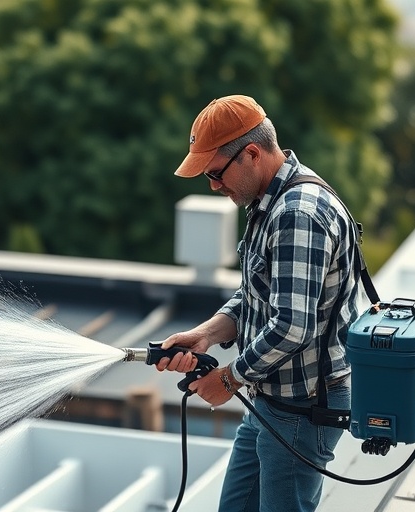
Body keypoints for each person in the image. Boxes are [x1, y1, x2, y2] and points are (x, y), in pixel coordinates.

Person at [156, 95, 362, 511]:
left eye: (215, 173)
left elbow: (291, 325)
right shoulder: (268, 201)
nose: (214, 186)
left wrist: (229, 379)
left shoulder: (296, 213)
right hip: (274, 402)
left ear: (250, 153)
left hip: (302, 410)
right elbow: (256, 295)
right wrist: (206, 334)